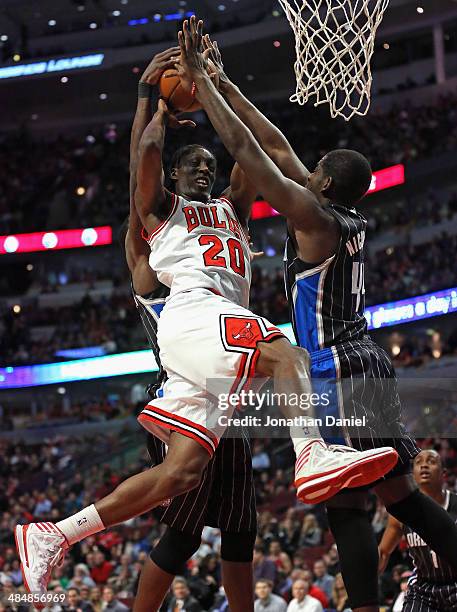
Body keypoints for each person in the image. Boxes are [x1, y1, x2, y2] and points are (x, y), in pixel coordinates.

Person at [176, 16, 457, 612]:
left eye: (318, 163)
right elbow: (276, 145)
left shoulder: (315, 218)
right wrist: (225, 84)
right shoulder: (339, 216)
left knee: (350, 505)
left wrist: (203, 85)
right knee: (402, 496)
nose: (308, 164)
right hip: (368, 360)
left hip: (335, 368)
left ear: (324, 181)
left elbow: (254, 156)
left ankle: (362, 608)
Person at [379, 449, 457, 610]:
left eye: (431, 461)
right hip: (424, 587)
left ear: (443, 473)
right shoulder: (402, 512)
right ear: (412, 474)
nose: (424, 466)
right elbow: (384, 552)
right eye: (418, 462)